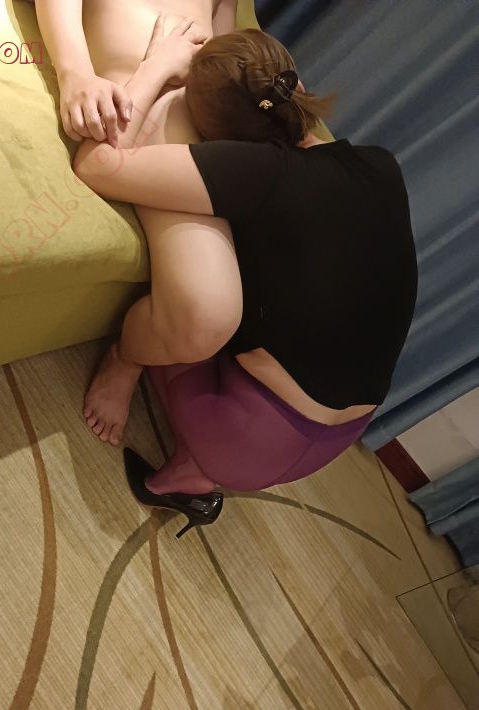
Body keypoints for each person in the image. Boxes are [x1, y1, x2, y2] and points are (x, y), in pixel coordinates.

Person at [35, 8, 419, 538]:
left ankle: (133, 371)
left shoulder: (257, 173)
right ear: (296, 88)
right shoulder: (379, 164)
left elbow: (95, 166)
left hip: (239, 436)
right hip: (344, 433)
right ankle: (189, 477)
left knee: (200, 319)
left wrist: (157, 66)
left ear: (216, 142)